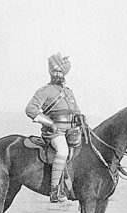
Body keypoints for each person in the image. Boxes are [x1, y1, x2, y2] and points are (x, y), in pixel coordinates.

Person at [26, 52, 83, 203]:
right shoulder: (45, 91)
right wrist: (49, 123)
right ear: (51, 73)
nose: (58, 75)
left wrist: (80, 119)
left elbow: (76, 112)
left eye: (61, 72)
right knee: (63, 150)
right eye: (56, 72)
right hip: (54, 133)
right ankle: (55, 190)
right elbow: (31, 109)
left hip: (71, 132)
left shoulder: (69, 93)